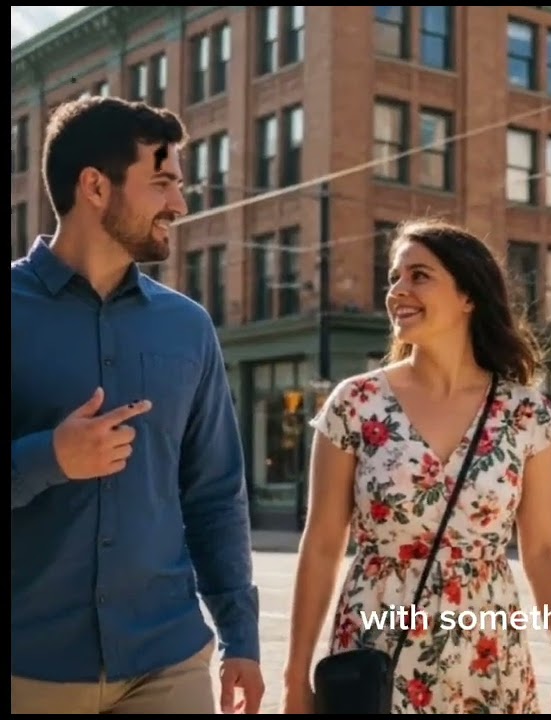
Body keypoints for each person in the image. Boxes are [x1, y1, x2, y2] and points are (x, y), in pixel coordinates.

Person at [10, 95, 263, 713]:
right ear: (95, 186)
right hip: (28, 664)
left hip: (166, 660)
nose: (179, 204)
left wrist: (243, 638)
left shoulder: (188, 327)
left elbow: (214, 494)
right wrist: (50, 457)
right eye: (162, 183)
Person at [282, 219, 551, 714]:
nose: (398, 291)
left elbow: (547, 550)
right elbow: (320, 545)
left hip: (487, 657)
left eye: (419, 275)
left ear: (469, 296)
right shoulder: (356, 402)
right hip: (375, 649)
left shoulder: (524, 413)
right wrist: (296, 677)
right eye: (393, 278)